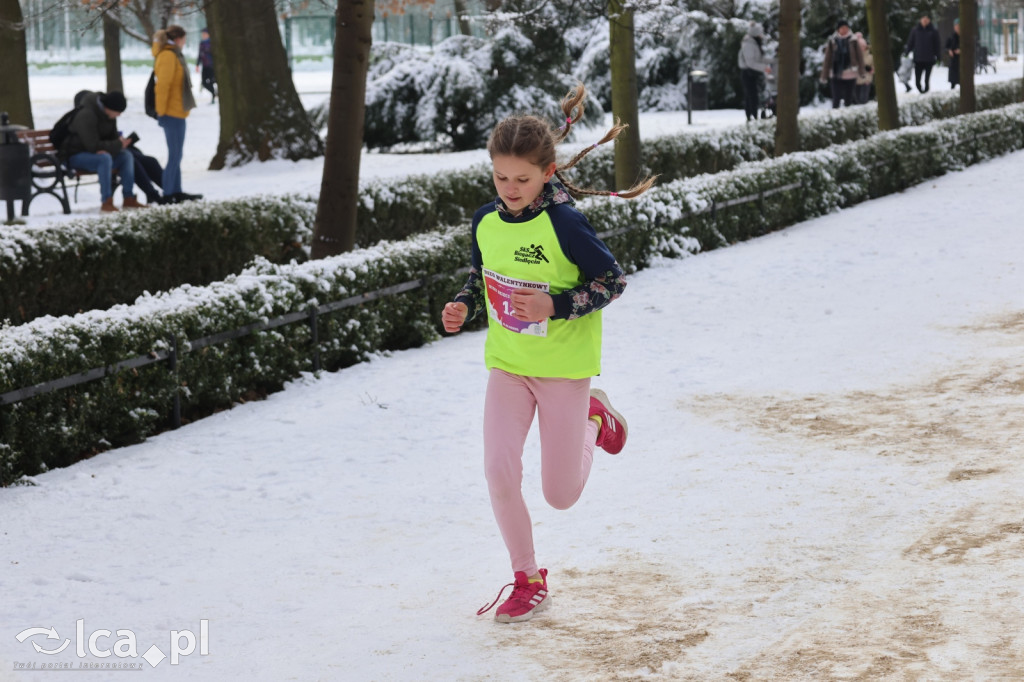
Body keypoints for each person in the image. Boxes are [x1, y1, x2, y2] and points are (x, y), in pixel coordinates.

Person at [442, 84, 654, 624]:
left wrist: (555, 304)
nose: (509, 189)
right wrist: (465, 305)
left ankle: (593, 415)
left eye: (522, 178)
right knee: (498, 471)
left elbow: (612, 281)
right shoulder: (485, 220)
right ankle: (527, 576)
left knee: (560, 495)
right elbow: (479, 273)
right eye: (500, 177)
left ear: (547, 171)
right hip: (508, 365)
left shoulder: (564, 222)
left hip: (562, 371)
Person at [59, 90, 147, 213]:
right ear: (109, 108)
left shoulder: (108, 116)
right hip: (74, 156)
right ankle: (106, 201)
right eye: (118, 112)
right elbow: (92, 146)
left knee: (126, 156)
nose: (119, 115)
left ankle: (129, 198)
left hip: (95, 154)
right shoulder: (86, 115)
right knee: (104, 159)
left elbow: (111, 138)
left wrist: (121, 143)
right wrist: (116, 144)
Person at [152, 25, 197, 203]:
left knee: (177, 154)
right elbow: (162, 86)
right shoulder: (168, 56)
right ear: (178, 39)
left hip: (178, 111)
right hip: (170, 112)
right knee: (174, 154)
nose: (185, 43)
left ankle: (176, 191)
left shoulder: (174, 54)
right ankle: (169, 193)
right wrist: (161, 112)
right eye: (184, 39)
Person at [820, 20, 866, 109]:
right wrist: (824, 76)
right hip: (836, 72)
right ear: (838, 30)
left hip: (850, 73)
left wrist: (862, 71)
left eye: (846, 28)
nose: (844, 30)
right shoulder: (832, 41)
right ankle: (835, 117)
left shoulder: (853, 40)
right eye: (842, 28)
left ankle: (847, 117)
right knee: (836, 97)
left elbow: (859, 57)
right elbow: (827, 59)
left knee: (848, 98)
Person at [738, 22, 773, 123]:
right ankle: (752, 117)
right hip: (748, 73)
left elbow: (760, 58)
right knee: (751, 96)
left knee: (753, 95)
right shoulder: (748, 44)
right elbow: (751, 62)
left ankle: (753, 116)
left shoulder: (754, 42)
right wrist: (764, 68)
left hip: (754, 73)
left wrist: (774, 60)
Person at [904, 15, 941, 93]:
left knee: (927, 79)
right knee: (917, 80)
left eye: (927, 18)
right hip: (918, 59)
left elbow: (937, 45)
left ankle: (926, 90)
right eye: (923, 18)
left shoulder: (934, 31)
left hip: (929, 59)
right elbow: (910, 42)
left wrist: (938, 57)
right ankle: (920, 90)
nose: (925, 20)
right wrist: (906, 52)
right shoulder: (915, 30)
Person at [195, 27, 216, 104]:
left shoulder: (212, 43)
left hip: (212, 66)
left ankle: (213, 96)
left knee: (212, 81)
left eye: (204, 34)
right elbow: (200, 55)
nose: (203, 35)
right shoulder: (202, 43)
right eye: (202, 34)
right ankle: (214, 93)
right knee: (204, 82)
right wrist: (197, 64)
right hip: (205, 66)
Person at [854, 32, 874, 104]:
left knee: (863, 99)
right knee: (857, 99)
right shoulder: (854, 57)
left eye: (863, 46)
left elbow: (874, 68)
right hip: (857, 81)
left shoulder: (870, 57)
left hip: (866, 80)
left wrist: (870, 69)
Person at [947, 20, 961, 89]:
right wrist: (949, 51)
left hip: (962, 62)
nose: (957, 27)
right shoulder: (951, 36)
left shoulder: (965, 37)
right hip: (953, 61)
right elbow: (946, 47)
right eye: (956, 26)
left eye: (959, 26)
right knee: (953, 81)